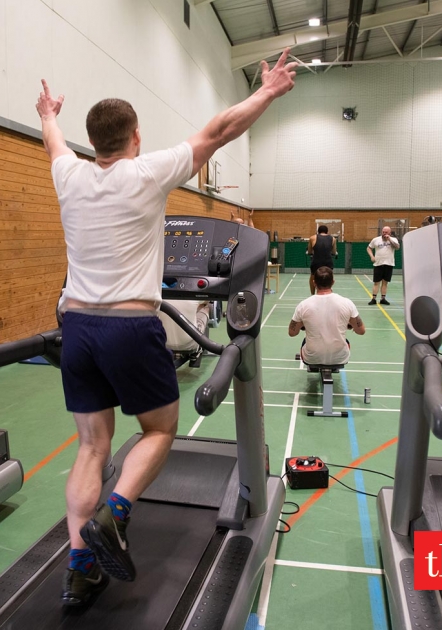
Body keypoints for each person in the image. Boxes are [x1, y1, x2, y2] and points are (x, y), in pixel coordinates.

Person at [37, 50, 297, 606]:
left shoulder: (69, 174)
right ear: (134, 136)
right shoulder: (148, 171)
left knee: (91, 446)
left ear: (92, 139)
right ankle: (117, 511)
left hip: (77, 326)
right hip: (129, 328)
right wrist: (269, 91)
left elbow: (54, 143)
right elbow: (221, 129)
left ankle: (80, 568)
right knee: (157, 431)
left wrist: (47, 113)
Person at [289, 267, 365, 364]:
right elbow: (361, 331)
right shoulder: (347, 303)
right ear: (333, 282)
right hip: (340, 358)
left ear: (314, 283)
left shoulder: (303, 305)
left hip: (311, 358)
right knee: (346, 342)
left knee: (305, 341)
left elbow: (292, 332)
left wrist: (304, 324)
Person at [366, 226, 400, 305]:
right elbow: (369, 248)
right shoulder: (376, 240)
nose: (384, 234)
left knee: (385, 282)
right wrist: (372, 256)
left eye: (386, 232)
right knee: (376, 282)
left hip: (389, 263)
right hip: (378, 264)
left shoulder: (393, 240)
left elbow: (397, 247)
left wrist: (389, 239)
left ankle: (383, 298)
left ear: (389, 233)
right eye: (383, 232)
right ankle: (374, 298)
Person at [307, 225, 336, 295]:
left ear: (318, 231)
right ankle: (328, 293)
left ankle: (312, 294)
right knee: (329, 277)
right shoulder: (333, 239)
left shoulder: (312, 238)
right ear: (327, 232)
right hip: (328, 262)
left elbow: (309, 251)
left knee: (313, 276)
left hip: (317, 262)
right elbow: (334, 252)